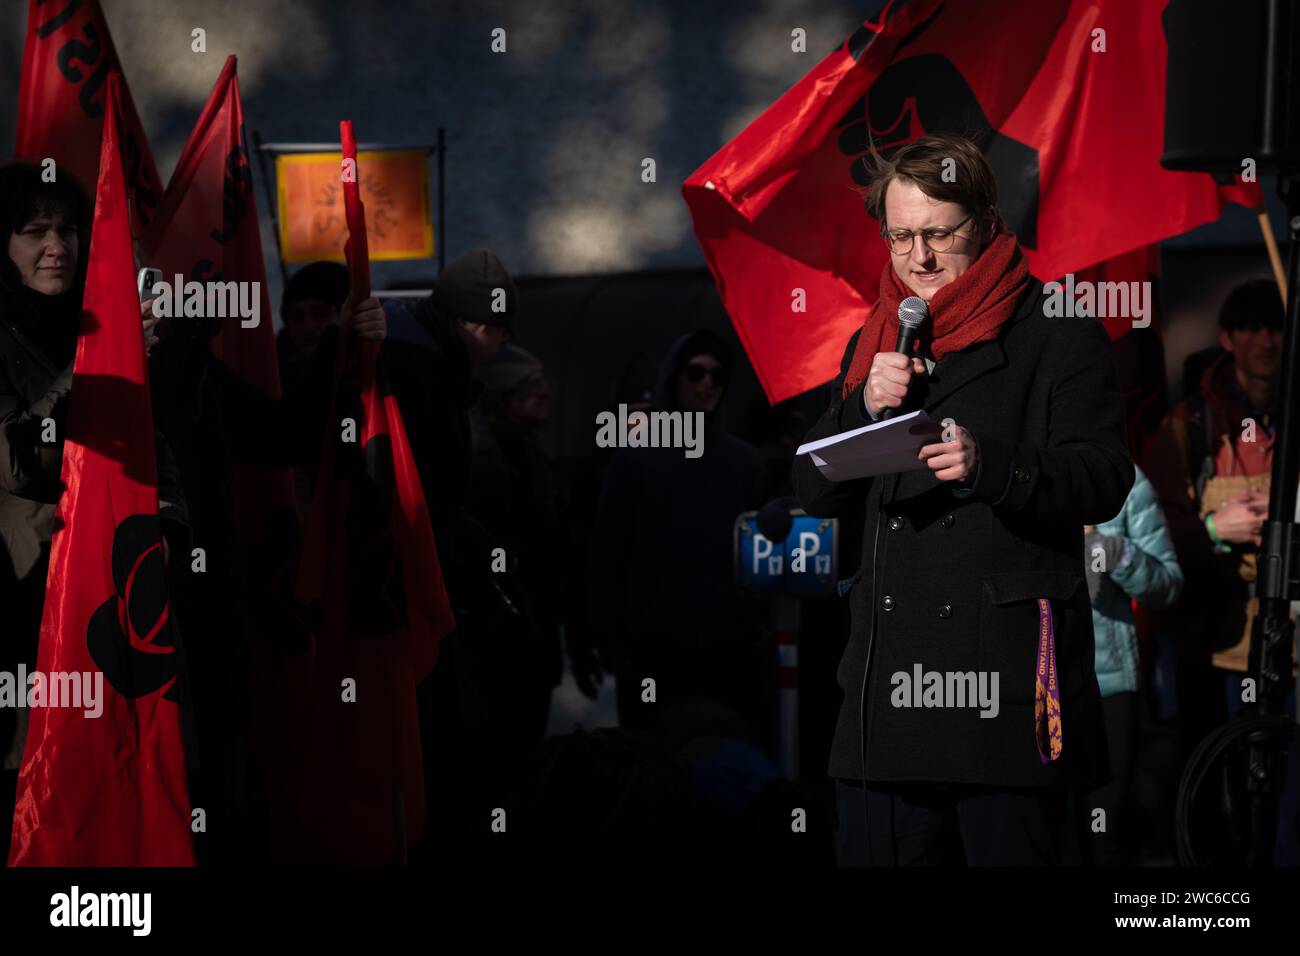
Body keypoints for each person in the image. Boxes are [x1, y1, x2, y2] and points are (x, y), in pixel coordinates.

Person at [792, 134, 1133, 865]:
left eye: (938, 233)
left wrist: (994, 466)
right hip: (885, 702)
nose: (918, 257)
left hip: (1002, 693)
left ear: (982, 221)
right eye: (900, 235)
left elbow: (1104, 478)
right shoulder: (873, 343)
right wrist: (860, 411)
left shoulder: (1058, 333)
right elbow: (810, 491)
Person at [0, 163, 189, 862]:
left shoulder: (105, 327)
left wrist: (162, 528)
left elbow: (158, 455)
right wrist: (92, 367)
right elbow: (16, 462)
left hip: (114, 613)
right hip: (24, 618)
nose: (57, 245)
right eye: (34, 231)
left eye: (69, 229)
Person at [589, 329, 768, 745]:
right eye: (696, 372)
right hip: (654, 647)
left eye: (717, 376)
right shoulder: (634, 459)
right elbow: (607, 552)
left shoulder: (744, 463)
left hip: (727, 649)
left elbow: (759, 553)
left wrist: (758, 624)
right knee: (655, 767)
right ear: (674, 377)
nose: (707, 383)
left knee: (727, 767)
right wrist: (608, 636)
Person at [1143, 279, 1293, 747]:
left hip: (1292, 649)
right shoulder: (1189, 426)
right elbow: (1151, 537)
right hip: (1215, 649)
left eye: (1276, 327)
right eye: (1250, 328)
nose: (1266, 341)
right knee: (1218, 785)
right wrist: (1212, 529)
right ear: (1227, 339)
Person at [1081, 464, 1183, 865]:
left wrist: (1119, 554)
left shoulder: (1127, 479)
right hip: (1032, 684)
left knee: (1104, 827)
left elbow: (1170, 584)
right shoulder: (1018, 463)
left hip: (1108, 686)